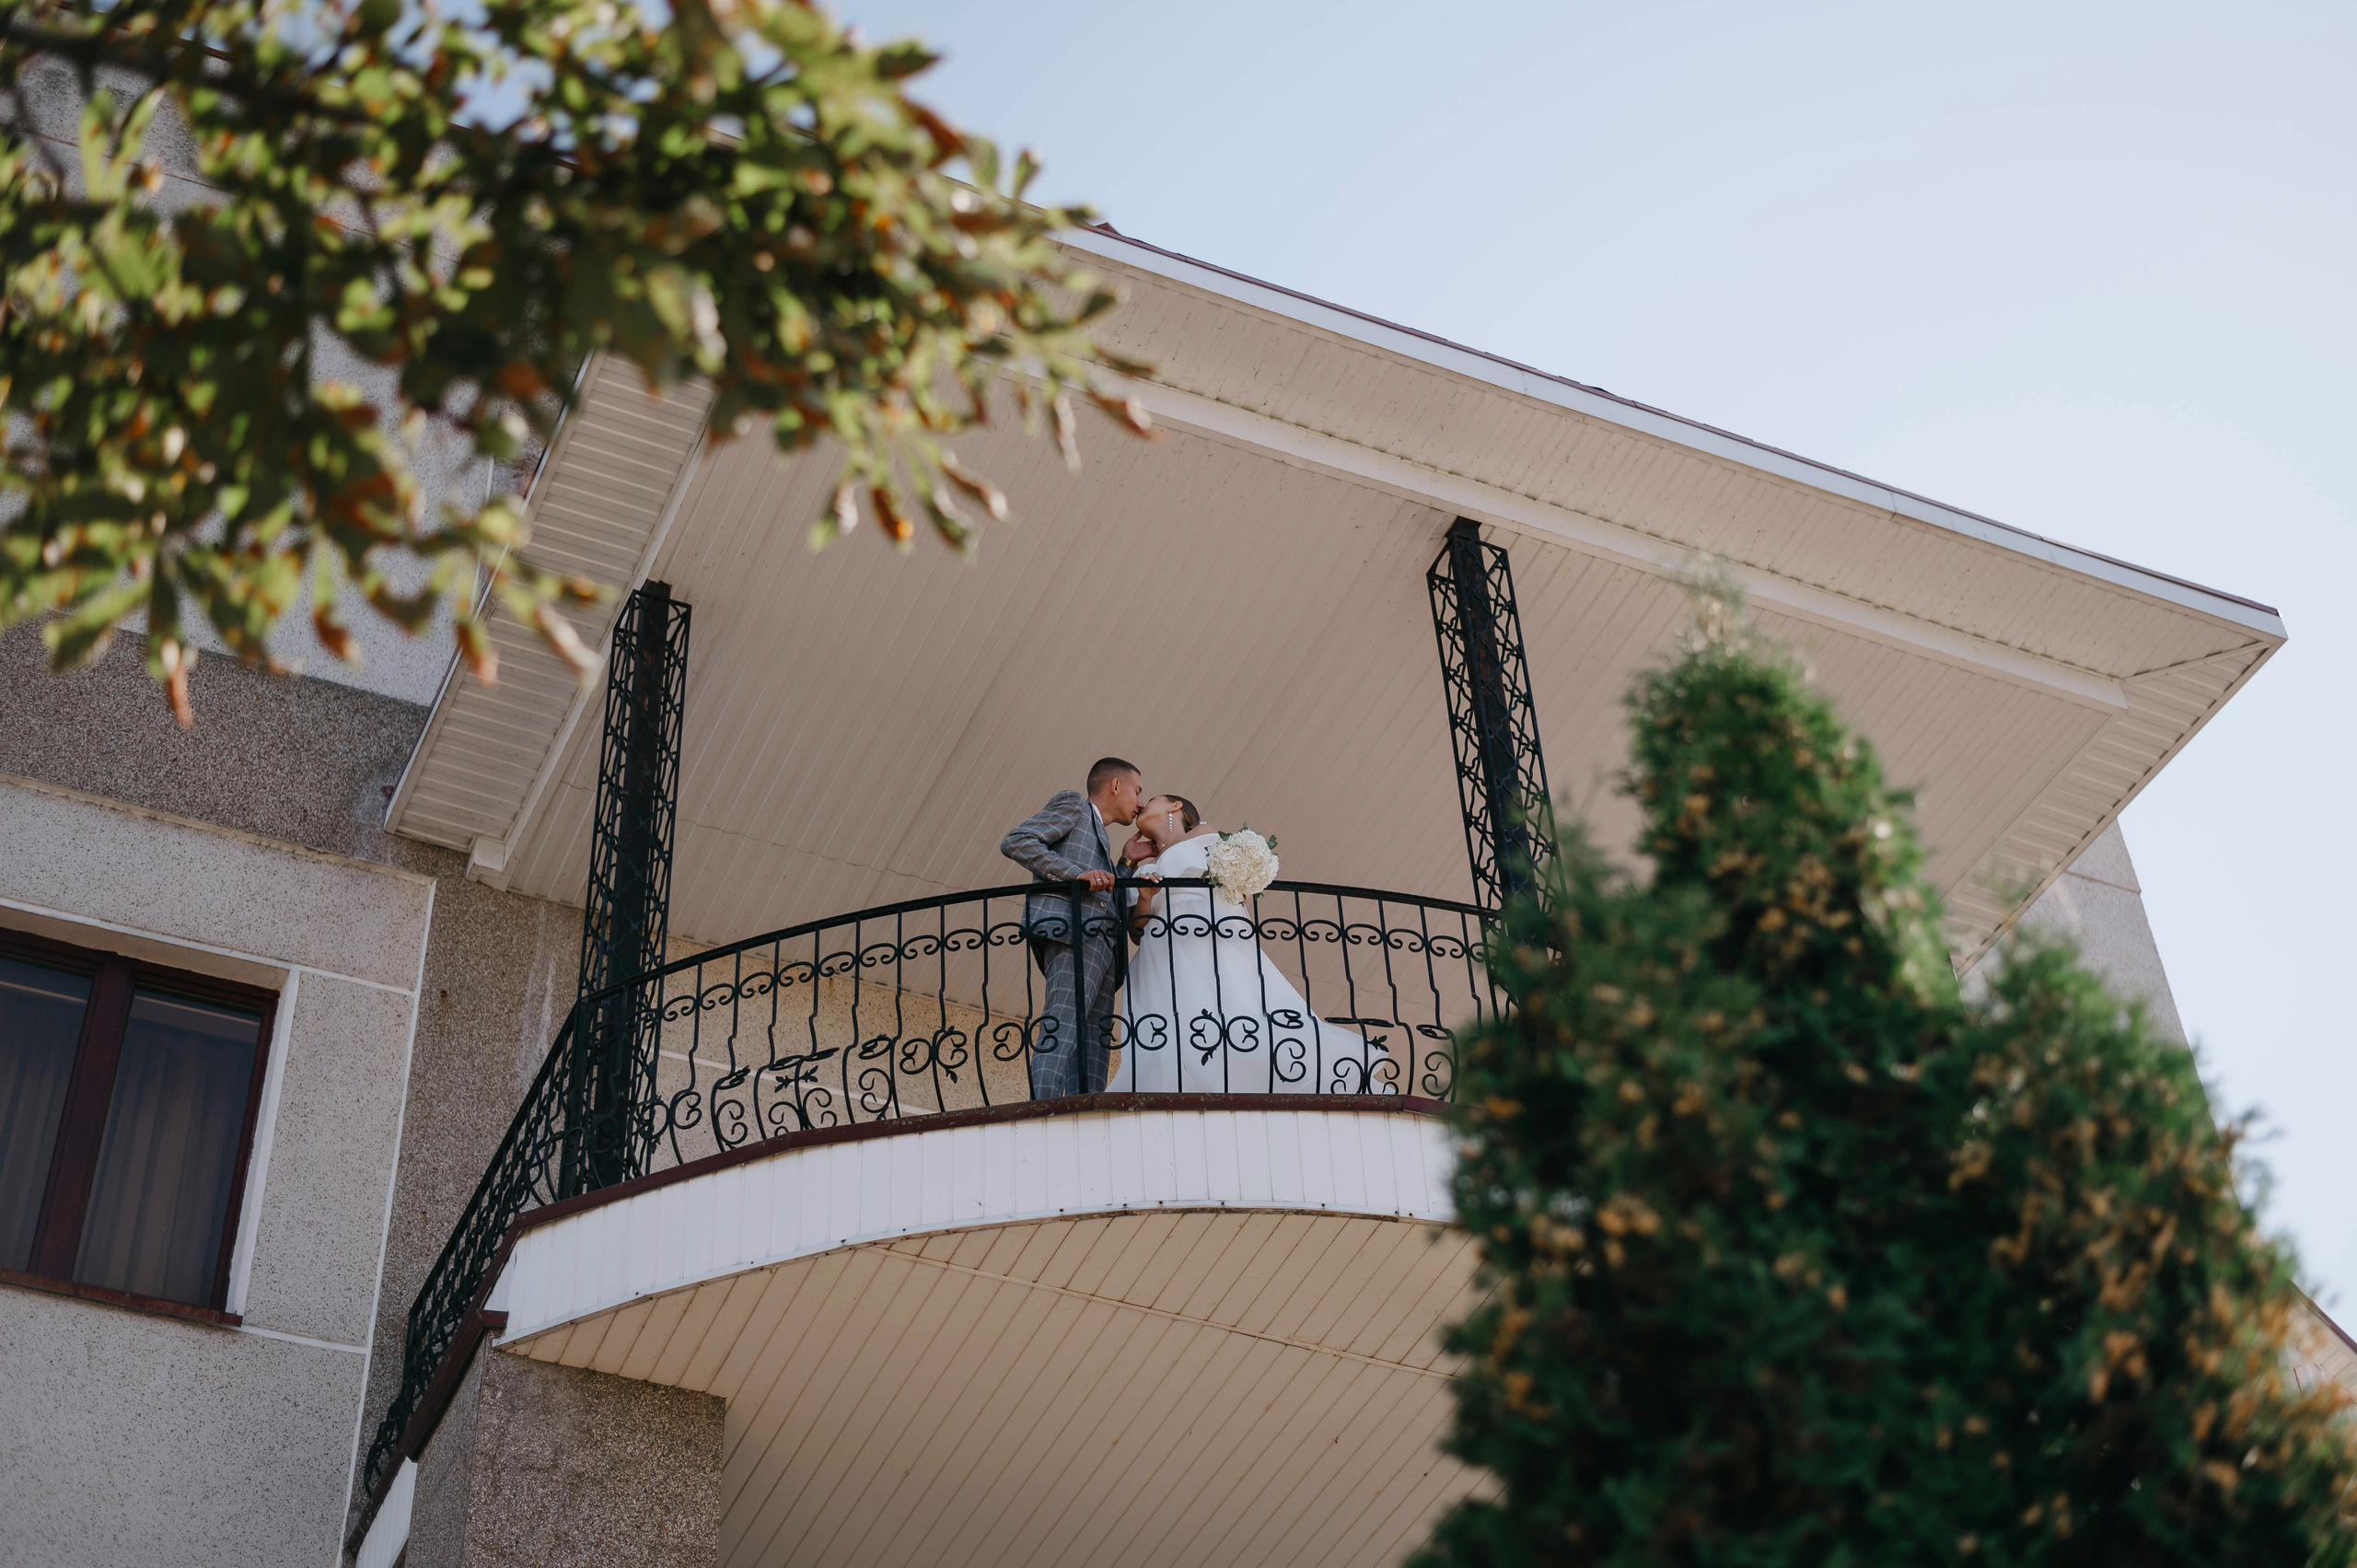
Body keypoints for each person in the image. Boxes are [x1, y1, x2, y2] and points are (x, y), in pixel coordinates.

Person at [1113, 794, 1378, 1094]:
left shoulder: (1202, 833)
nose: (1141, 805)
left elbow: (1236, 888)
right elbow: (1137, 932)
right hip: (1162, 952)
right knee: (1182, 1023)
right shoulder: (1142, 870)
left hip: (1209, 936)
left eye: (1150, 799)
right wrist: (1145, 897)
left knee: (1233, 1006)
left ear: (1175, 807)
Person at [999, 758, 1144, 1098]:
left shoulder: (1104, 841)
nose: (1139, 803)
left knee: (1094, 1043)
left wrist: (1125, 863)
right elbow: (1018, 841)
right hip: (1072, 936)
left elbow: (1104, 893)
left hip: (1103, 949)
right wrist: (1073, 874)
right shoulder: (1074, 805)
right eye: (1138, 791)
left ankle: (1085, 1112)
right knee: (1063, 1025)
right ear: (1115, 786)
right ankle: (1042, 1106)